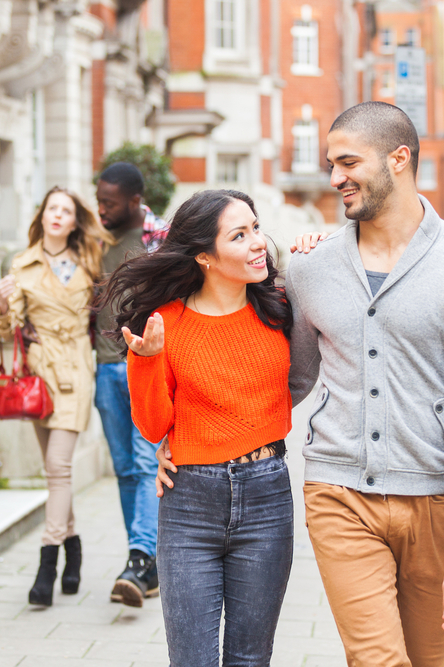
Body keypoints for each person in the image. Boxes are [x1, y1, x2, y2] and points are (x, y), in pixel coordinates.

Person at [285, 101, 444, 666]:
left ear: (398, 159)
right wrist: (193, 441)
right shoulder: (311, 267)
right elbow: (290, 380)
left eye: (348, 162)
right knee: (379, 661)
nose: (335, 178)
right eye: (332, 164)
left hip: (436, 503)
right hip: (338, 495)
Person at [101, 189, 297, 665]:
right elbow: (152, 427)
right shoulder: (163, 323)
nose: (258, 243)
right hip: (190, 502)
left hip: (268, 496)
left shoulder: (279, 307)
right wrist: (145, 362)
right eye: (239, 235)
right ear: (205, 257)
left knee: (250, 659)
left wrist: (315, 247)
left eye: (256, 228)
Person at [0, 186, 112, 607]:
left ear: (75, 219)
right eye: (52, 208)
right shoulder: (21, 264)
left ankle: (47, 564)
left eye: (66, 209)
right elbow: (9, 331)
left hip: (76, 371)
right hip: (41, 375)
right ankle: (74, 551)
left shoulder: (90, 258)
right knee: (54, 469)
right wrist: (3, 306)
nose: (58, 215)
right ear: (41, 216)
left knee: (58, 467)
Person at [92, 162, 169, 607]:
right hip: (105, 368)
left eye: (110, 202)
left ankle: (140, 559)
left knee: (144, 464)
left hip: (141, 364)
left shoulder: (158, 240)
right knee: (123, 468)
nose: (101, 209)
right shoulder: (95, 243)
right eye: (99, 200)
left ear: (135, 202)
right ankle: (144, 561)